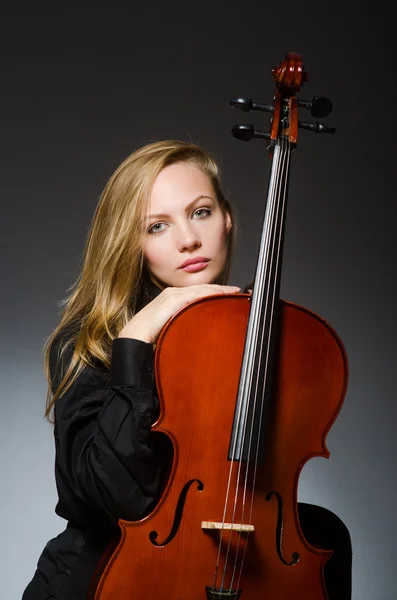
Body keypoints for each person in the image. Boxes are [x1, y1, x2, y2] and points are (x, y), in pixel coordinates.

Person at [22, 140, 351, 600]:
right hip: (105, 578)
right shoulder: (91, 343)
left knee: (326, 535)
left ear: (227, 217)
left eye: (200, 212)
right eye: (157, 226)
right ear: (131, 243)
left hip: (234, 551)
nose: (188, 240)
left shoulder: (272, 336)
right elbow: (116, 498)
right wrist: (135, 341)